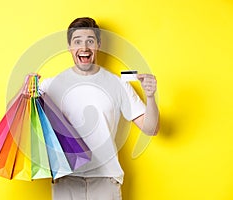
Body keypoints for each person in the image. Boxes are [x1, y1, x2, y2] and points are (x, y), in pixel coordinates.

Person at [37, 17, 159, 200]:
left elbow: (151, 129)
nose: (84, 47)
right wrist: (25, 91)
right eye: (77, 41)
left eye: (90, 41)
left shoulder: (118, 84)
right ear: (69, 46)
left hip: (105, 179)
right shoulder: (49, 86)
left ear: (98, 45)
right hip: (66, 178)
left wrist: (150, 97)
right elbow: (19, 121)